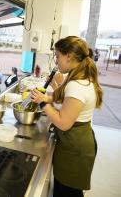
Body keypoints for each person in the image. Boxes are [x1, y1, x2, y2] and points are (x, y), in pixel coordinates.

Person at [30, 36, 102, 197]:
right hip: (76, 142)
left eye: (57, 56)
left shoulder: (77, 85)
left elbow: (63, 123)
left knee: (67, 193)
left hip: (75, 149)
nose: (56, 61)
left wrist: (43, 103)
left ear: (69, 56)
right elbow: (62, 98)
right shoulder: (78, 77)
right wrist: (47, 97)